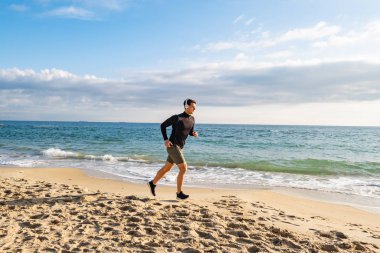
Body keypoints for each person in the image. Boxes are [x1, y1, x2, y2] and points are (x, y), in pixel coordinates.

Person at [148, 98, 198, 200]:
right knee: (183, 168)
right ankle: (179, 193)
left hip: (180, 147)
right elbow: (163, 126)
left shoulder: (192, 119)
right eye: (193, 107)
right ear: (186, 106)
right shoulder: (177, 118)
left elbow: (189, 131)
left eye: (195, 107)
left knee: (167, 168)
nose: (194, 109)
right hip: (173, 146)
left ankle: (152, 183)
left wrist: (193, 134)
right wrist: (166, 139)